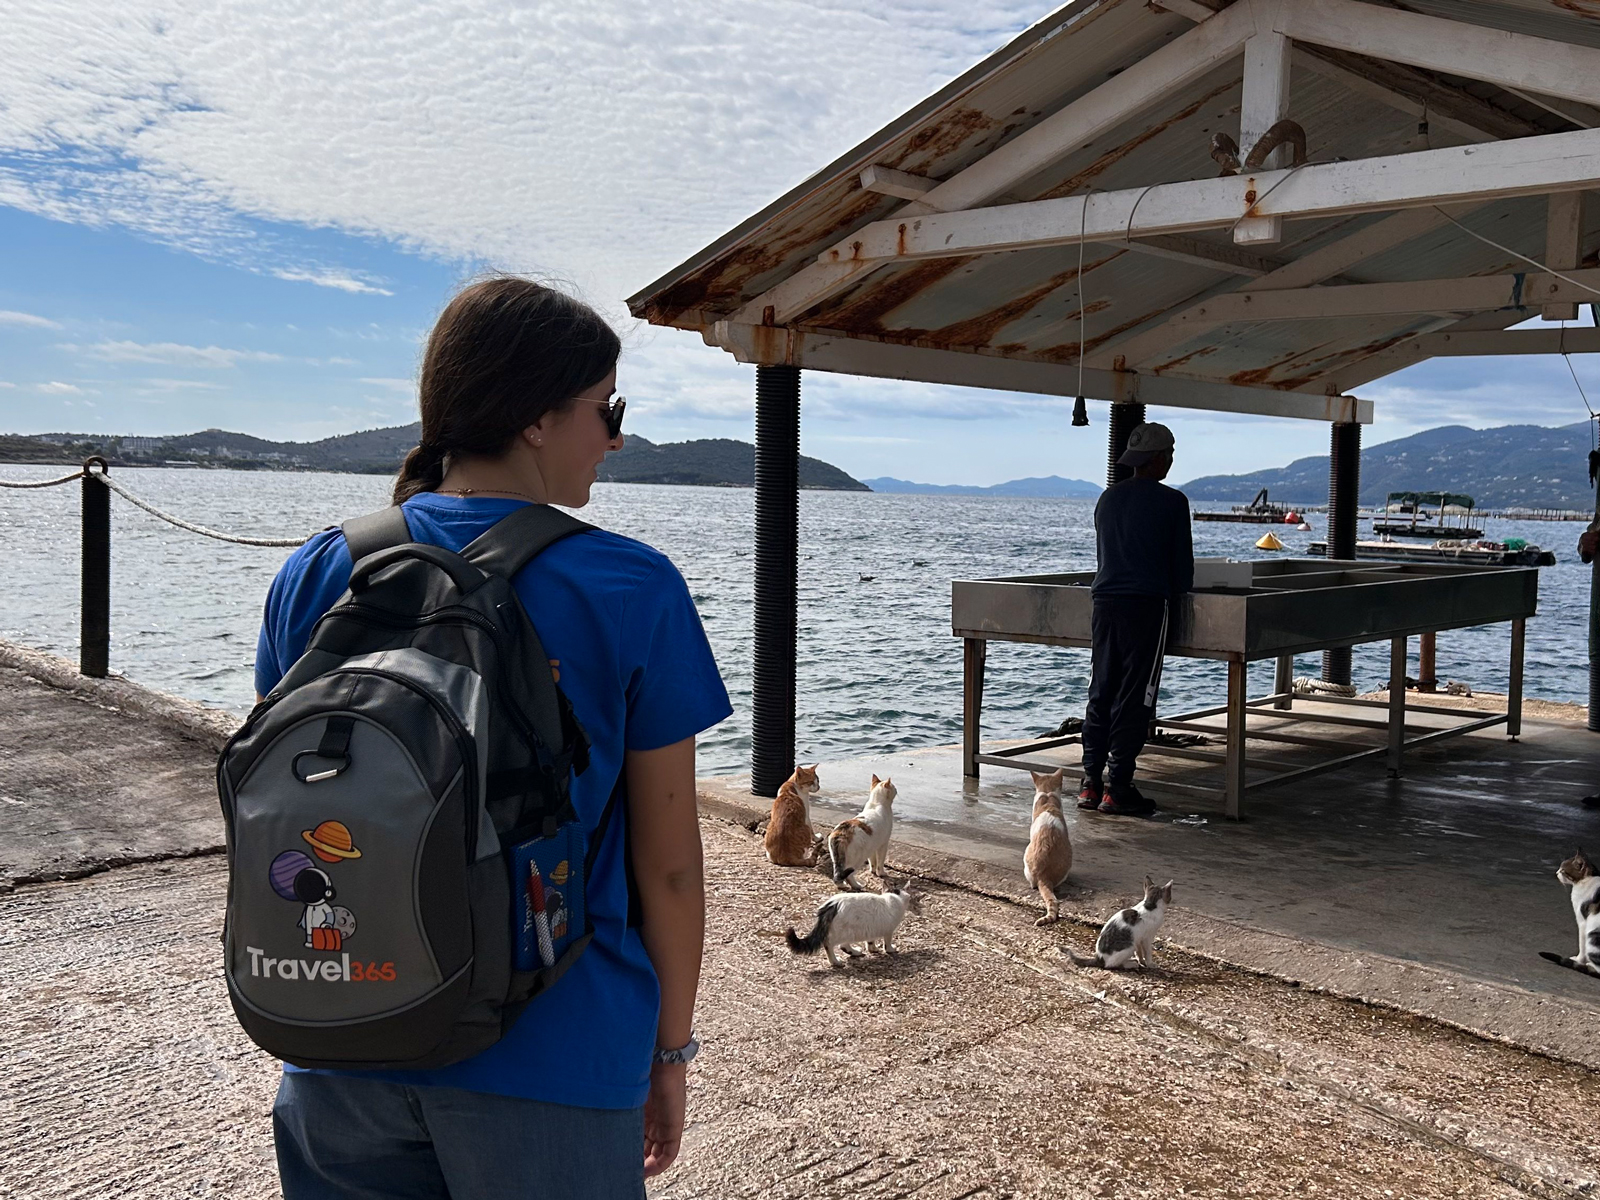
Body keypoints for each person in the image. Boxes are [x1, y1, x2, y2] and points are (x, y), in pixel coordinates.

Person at [254, 277, 732, 1198]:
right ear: (535, 421)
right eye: (607, 408)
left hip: (337, 1033)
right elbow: (669, 868)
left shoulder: (317, 570)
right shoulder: (629, 587)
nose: (617, 437)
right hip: (555, 1054)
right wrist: (670, 1048)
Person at [1077, 421, 1193, 817]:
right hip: (1146, 605)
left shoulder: (1106, 500)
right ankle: (1119, 786)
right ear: (1158, 459)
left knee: (1102, 687)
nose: (1172, 461)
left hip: (1104, 601)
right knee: (1136, 693)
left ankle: (1090, 781)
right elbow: (1183, 572)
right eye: (1171, 454)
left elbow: (1104, 556)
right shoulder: (1173, 502)